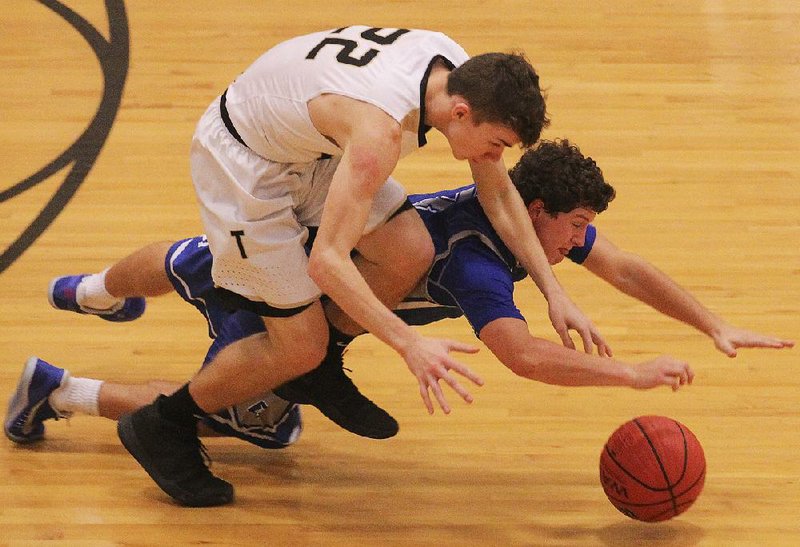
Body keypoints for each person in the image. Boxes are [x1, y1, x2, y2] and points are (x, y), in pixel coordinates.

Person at [8, 140, 792, 504]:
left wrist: (710, 323)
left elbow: (622, 265)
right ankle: (62, 385)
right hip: (289, 300)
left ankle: (89, 301)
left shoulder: (527, 221)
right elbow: (518, 353)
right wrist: (630, 372)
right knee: (222, 394)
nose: (580, 240)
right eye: (575, 225)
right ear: (540, 210)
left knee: (191, 257)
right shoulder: (479, 262)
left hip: (318, 276)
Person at [85, 25, 611, 507]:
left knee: (410, 246)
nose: (497, 156)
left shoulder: (458, 71)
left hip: (307, 145)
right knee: (297, 344)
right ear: (460, 115)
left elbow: (496, 194)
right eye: (497, 143)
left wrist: (554, 292)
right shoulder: (378, 135)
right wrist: (408, 343)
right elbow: (328, 263)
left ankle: (318, 368)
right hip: (246, 165)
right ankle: (163, 424)